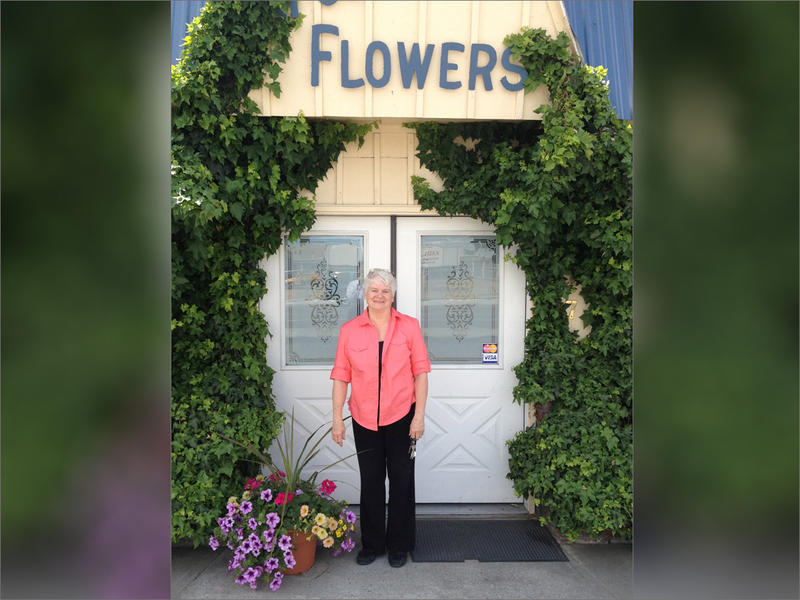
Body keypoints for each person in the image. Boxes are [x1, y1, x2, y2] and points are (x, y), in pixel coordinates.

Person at [330, 268, 430, 568]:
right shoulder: (350, 330)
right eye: (374, 290)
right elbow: (340, 377)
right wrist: (337, 418)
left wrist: (419, 417)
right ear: (365, 294)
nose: (379, 295)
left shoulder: (409, 327)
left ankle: (400, 545)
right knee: (371, 482)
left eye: (385, 291)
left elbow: (421, 374)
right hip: (363, 418)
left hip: (402, 416)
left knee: (401, 481)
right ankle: (372, 544)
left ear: (393, 295)